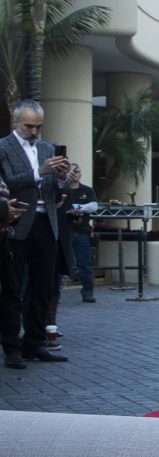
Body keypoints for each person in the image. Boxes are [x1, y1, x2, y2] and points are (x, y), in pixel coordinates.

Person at [0, 100, 70, 369]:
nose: (34, 131)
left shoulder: (47, 149)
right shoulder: (3, 147)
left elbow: (56, 190)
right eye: (29, 126)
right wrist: (39, 172)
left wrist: (62, 178)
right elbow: (8, 182)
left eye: (38, 126)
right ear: (15, 121)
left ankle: (35, 343)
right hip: (17, 223)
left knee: (44, 288)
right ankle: (11, 347)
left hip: (46, 223)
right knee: (12, 289)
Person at [66, 163, 98, 303]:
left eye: (77, 171)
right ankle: (54, 293)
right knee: (59, 263)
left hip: (82, 231)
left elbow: (94, 206)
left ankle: (87, 293)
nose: (75, 174)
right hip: (64, 231)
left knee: (84, 264)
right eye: (72, 171)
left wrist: (80, 208)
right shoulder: (62, 189)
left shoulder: (87, 190)